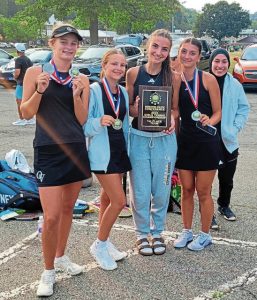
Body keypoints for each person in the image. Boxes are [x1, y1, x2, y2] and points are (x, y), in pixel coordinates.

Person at [20, 24, 91, 297]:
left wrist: (76, 96)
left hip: (74, 148)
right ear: (52, 43)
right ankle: (47, 271)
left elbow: (82, 120)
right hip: (48, 150)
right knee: (50, 217)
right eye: (64, 42)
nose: (69, 47)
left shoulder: (81, 78)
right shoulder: (35, 72)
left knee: (67, 210)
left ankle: (61, 257)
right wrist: (39, 91)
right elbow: (25, 113)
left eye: (74, 43)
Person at [126, 29, 178, 256]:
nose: (158, 52)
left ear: (168, 52)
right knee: (140, 190)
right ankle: (141, 234)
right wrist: (135, 109)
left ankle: (157, 233)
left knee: (161, 190)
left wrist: (172, 120)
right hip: (138, 138)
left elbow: (175, 109)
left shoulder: (174, 77)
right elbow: (128, 107)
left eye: (164, 49)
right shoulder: (133, 73)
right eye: (155, 46)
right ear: (148, 45)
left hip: (164, 140)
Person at [173, 38, 223, 251]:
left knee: (204, 191)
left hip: (206, 142)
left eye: (192, 53)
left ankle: (204, 234)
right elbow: (175, 111)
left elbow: (218, 112)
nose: (187, 56)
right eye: (184, 51)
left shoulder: (208, 79)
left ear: (199, 55)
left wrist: (208, 121)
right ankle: (186, 231)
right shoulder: (176, 79)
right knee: (186, 190)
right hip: (185, 142)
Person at [83, 49, 131, 271]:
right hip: (103, 154)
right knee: (119, 201)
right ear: (104, 66)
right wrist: (98, 121)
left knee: (105, 199)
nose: (119, 68)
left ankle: (105, 239)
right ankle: (99, 245)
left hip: (119, 150)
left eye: (122, 65)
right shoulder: (93, 90)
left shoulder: (123, 91)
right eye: (114, 64)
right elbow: (82, 124)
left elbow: (126, 123)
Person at [209, 48, 249, 229]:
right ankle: (207, 212)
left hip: (228, 139)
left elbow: (243, 108)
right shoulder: (202, 82)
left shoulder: (235, 85)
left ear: (228, 63)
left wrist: (234, 128)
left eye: (223, 62)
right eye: (216, 61)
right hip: (206, 140)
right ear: (210, 63)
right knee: (205, 180)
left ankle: (224, 205)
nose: (220, 65)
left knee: (227, 178)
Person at [12, 43, 34, 126]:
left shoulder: (18, 60)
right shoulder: (28, 59)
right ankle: (30, 119)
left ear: (17, 51)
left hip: (21, 83)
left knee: (19, 101)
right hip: (28, 83)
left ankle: (22, 119)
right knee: (28, 101)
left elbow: (17, 72)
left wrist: (14, 76)